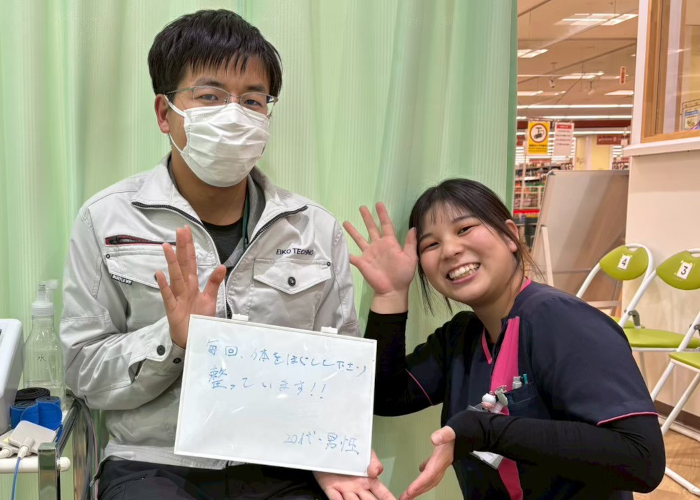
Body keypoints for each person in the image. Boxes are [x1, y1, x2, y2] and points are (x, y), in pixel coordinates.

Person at [61, 10, 393, 500]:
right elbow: (83, 371)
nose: (234, 115)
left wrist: (334, 459)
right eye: (210, 96)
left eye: (253, 100)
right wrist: (173, 340)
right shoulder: (107, 221)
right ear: (164, 113)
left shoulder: (315, 228)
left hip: (282, 462)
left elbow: (336, 372)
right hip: (155, 463)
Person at [343, 179, 666, 500]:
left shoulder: (562, 321)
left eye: (464, 228)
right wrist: (391, 294)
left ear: (511, 235)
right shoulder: (461, 336)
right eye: (431, 245)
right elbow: (385, 396)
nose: (450, 250)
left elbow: (642, 459)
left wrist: (485, 430)